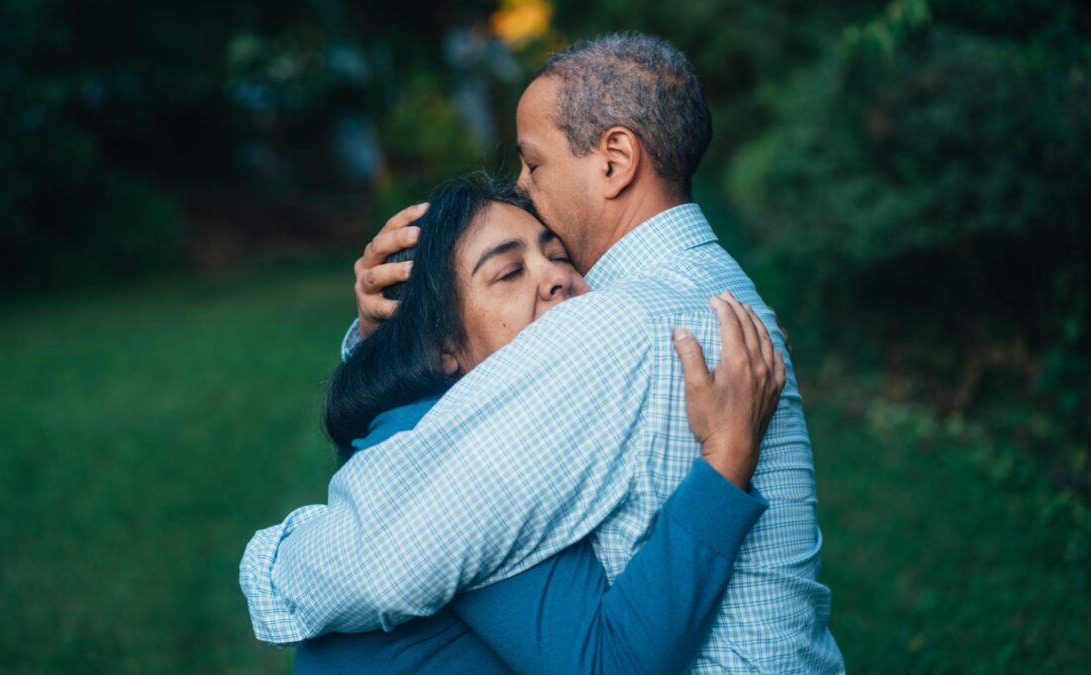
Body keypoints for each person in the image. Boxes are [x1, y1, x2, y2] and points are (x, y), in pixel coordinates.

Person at [243, 33, 844, 672]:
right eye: (509, 271)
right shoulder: (716, 289)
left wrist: (271, 563)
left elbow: (379, 560)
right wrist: (389, 331)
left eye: (534, 163)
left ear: (615, 159)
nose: (525, 188)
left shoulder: (614, 324)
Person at [288, 176, 782, 673]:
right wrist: (727, 457)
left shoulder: (452, 417)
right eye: (508, 273)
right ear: (442, 347)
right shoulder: (463, 458)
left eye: (560, 255)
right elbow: (607, 663)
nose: (555, 277)